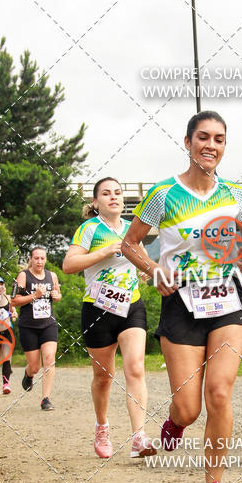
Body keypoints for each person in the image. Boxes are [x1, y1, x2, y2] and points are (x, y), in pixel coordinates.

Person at [121, 111, 242, 483]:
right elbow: (130, 245)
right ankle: (176, 422)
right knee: (189, 407)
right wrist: (154, 270)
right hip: (181, 303)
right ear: (187, 142)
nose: (210, 145)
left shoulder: (237, 195)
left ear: (224, 146)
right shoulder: (164, 194)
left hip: (228, 300)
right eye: (203, 137)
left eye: (218, 139)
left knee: (219, 392)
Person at [63, 177, 155, 460]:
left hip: (131, 307)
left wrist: (146, 272)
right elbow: (68, 265)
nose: (113, 197)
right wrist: (105, 251)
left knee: (135, 368)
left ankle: (139, 436)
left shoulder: (132, 228)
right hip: (98, 310)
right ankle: (102, 426)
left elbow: (146, 262)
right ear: (95, 202)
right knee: (104, 377)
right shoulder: (89, 229)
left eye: (117, 192)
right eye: (106, 193)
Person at [11, 247, 61, 411]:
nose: (39, 261)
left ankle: (45, 399)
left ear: (46, 259)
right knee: (35, 366)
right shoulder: (24, 276)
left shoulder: (52, 275)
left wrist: (56, 296)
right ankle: (29, 374)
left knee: (49, 359)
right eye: (36, 258)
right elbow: (14, 301)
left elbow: (58, 294)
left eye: (42, 258)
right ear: (31, 259)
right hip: (28, 326)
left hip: (48, 324)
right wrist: (34, 295)